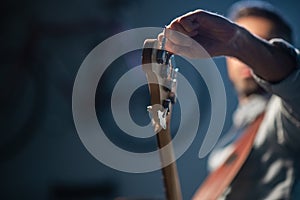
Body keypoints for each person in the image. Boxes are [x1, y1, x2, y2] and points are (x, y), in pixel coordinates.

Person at [157, 1, 300, 199]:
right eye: (235, 51)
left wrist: (238, 43)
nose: (245, 59)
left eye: (263, 43)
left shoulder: (286, 117)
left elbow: (294, 84)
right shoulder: (232, 139)